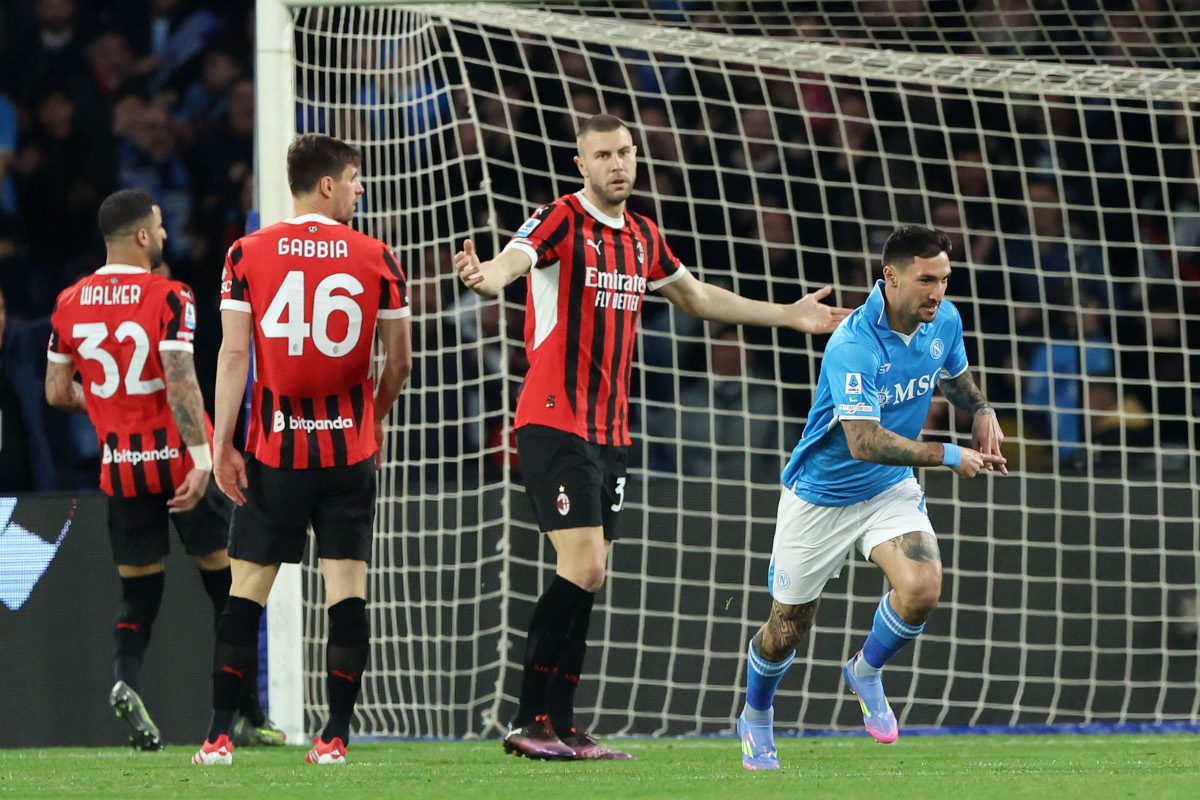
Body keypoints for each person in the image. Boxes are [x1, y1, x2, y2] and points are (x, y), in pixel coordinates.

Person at [454, 113, 849, 761]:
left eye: (626, 153)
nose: (618, 164)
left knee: (590, 573)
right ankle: (530, 719)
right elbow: (513, 261)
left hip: (612, 432)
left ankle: (562, 725)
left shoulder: (641, 235)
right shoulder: (559, 218)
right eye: (603, 155)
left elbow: (695, 298)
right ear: (581, 165)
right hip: (552, 419)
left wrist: (788, 314)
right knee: (582, 565)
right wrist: (485, 277)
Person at [734, 226, 1006, 770]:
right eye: (926, 280)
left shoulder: (943, 320)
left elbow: (953, 376)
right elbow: (864, 441)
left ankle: (865, 670)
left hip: (888, 490)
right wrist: (951, 455)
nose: (938, 292)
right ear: (891, 276)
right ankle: (756, 714)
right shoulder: (853, 342)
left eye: (945, 279)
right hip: (822, 495)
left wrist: (979, 409)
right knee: (788, 627)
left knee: (923, 584)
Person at [192, 134, 412, 766]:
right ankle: (335, 737)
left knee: (245, 595)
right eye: (353, 179)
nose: (359, 189)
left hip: (276, 455)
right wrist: (369, 420)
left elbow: (234, 355)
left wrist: (223, 442)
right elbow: (399, 364)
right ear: (327, 185)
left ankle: (216, 738)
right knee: (347, 594)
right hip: (348, 456)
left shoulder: (246, 252)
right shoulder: (376, 255)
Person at [44, 188, 281, 750]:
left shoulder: (69, 302)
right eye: (159, 226)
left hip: (121, 470)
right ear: (143, 236)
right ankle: (245, 714)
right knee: (228, 592)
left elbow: (56, 391)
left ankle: (126, 681)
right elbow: (180, 379)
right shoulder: (170, 295)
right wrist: (204, 460)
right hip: (178, 468)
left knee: (139, 599)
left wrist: (104, 400)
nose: (167, 235)